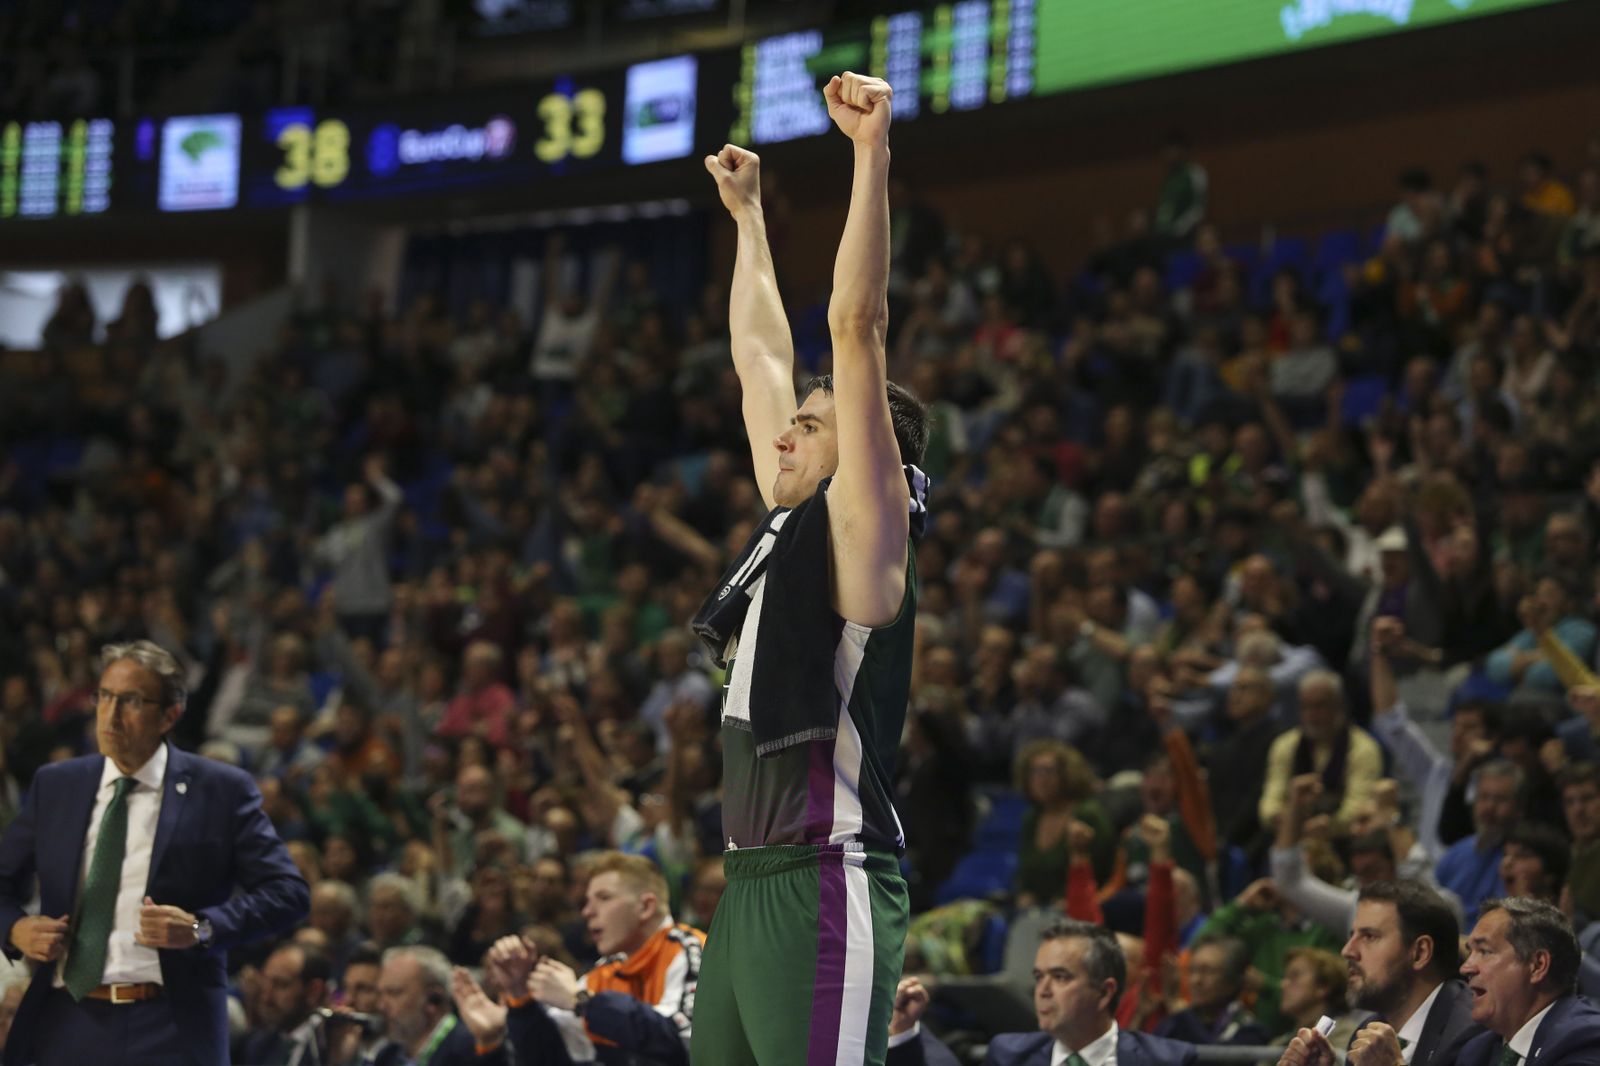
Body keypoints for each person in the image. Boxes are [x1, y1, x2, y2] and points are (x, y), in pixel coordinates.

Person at [690, 71, 932, 1066]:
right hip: (745, 880)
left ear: (874, 454)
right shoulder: (786, 526)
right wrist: (746, 218)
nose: (789, 426)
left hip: (826, 875)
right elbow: (757, 357)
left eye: (816, 420)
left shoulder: (866, 536)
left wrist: (869, 155)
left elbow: (854, 324)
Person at [0, 640, 310, 1066]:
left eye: (131, 701)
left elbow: (289, 893)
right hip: (67, 1016)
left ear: (170, 714)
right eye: (104, 696)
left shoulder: (220, 790)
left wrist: (202, 928)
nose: (110, 715)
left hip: (169, 1024)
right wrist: (15, 928)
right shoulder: (57, 785)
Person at [485, 852, 704, 1066]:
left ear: (645, 906)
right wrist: (520, 1000)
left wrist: (581, 1001)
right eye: (587, 901)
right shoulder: (603, 974)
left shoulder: (691, 950)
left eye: (604, 898)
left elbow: (684, 1044)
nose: (587, 912)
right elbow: (551, 1056)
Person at [1277, 880, 1478, 1066]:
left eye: (1369, 936)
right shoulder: (1368, 1031)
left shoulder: (1469, 1032)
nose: (1348, 950)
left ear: (1420, 952)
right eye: (1352, 935)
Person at [984, 919, 1197, 1066]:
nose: (1042, 990)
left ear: (1104, 992)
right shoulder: (1008, 1056)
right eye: (1039, 977)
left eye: (1060, 977)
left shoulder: (1167, 1061)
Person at [1456, 898, 1600, 1066]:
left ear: (1537, 966)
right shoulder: (1477, 1052)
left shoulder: (1585, 1042)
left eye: (1484, 952)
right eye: (1470, 952)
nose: (1465, 968)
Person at [331, 945, 509, 1066]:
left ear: (433, 1000)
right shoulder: (388, 1056)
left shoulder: (470, 1049)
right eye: (381, 993)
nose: (381, 1005)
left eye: (394, 993)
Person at [233, 942, 332, 1066]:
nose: (266, 997)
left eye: (280, 984)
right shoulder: (255, 1046)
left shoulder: (332, 1047)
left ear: (314, 991)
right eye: (265, 982)